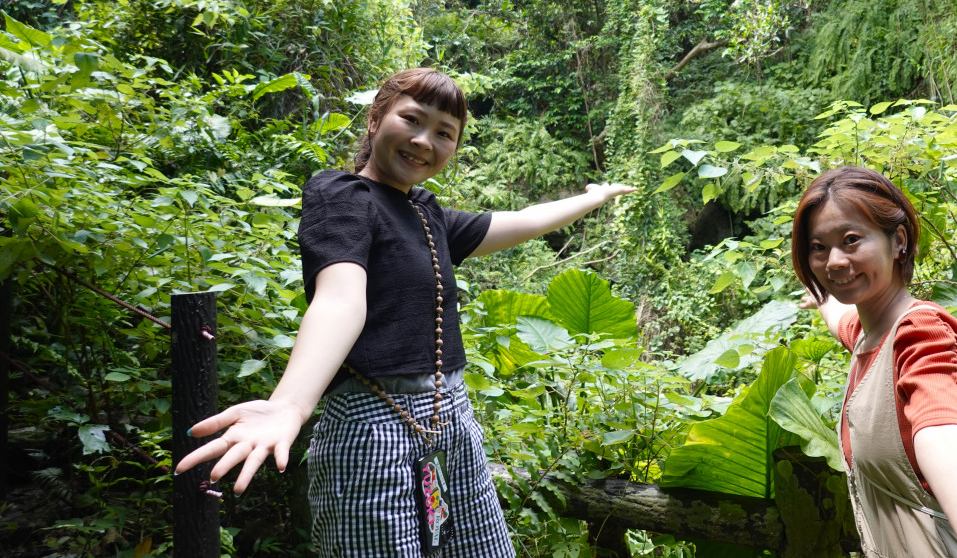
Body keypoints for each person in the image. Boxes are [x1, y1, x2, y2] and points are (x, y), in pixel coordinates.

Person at [175, 68, 634, 557]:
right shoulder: (342, 196)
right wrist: (291, 404)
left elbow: (521, 221)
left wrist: (595, 197)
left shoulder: (426, 213)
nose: (423, 141)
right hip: (373, 430)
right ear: (375, 118)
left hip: (451, 424)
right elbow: (341, 298)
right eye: (412, 119)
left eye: (444, 133)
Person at [792, 166, 957, 558]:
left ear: (898, 241)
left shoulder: (920, 333)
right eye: (819, 247)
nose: (834, 261)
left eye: (851, 240)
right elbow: (840, 319)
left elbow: (942, 432)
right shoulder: (869, 334)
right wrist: (819, 297)